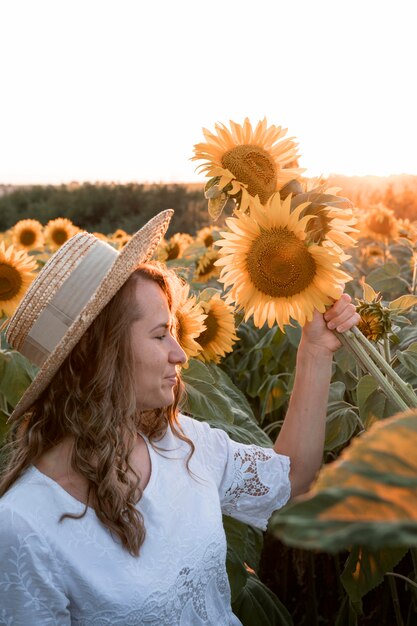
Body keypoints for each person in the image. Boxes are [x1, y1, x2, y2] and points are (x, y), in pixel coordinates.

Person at [0, 209, 360, 625]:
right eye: (159, 335)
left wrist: (314, 352)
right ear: (100, 356)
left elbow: (292, 481)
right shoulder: (24, 526)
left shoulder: (180, 444)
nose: (181, 352)